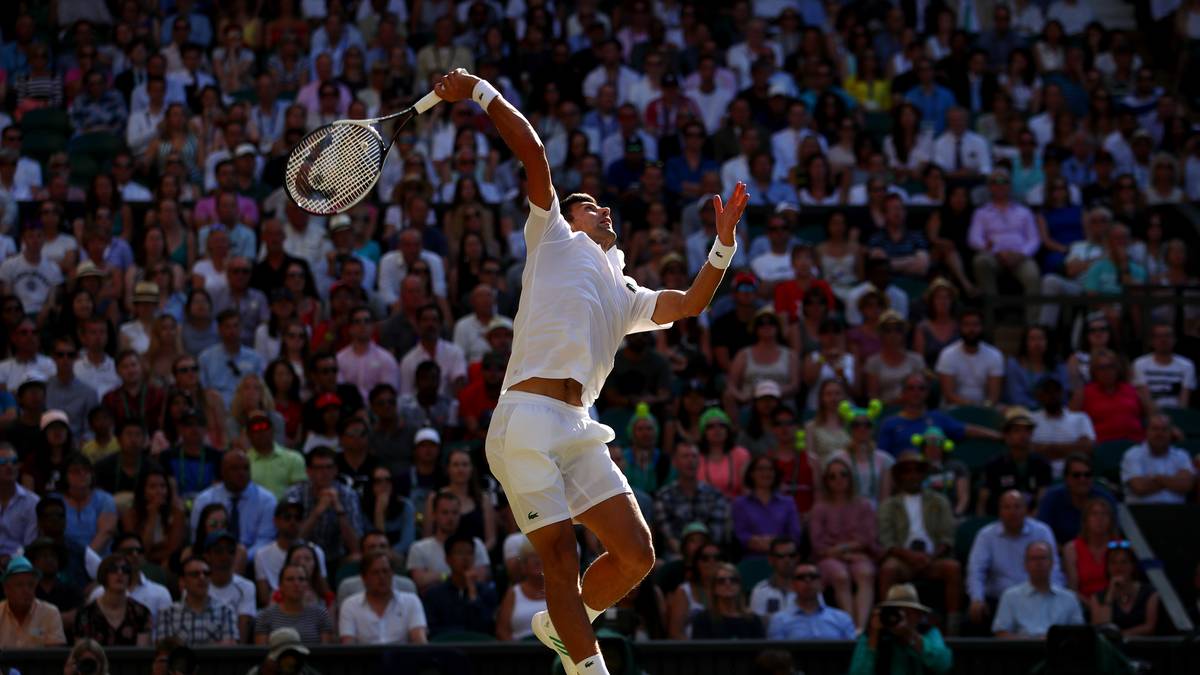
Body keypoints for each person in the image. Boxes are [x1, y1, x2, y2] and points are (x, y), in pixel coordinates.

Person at [435, 67, 749, 675]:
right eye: (588, 205)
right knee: (560, 554)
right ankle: (587, 668)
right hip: (523, 419)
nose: (600, 208)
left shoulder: (626, 291)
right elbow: (532, 149)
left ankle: (560, 625)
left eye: (601, 205)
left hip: (578, 425)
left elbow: (689, 303)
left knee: (636, 555)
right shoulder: (550, 235)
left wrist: (724, 244)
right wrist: (475, 88)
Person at [876, 451, 962, 633]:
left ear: (924, 474)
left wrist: (930, 557)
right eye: (907, 471)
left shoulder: (940, 501)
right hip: (902, 559)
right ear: (899, 476)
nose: (912, 475)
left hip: (933, 558)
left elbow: (947, 537)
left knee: (953, 568)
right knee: (888, 569)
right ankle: (886, 621)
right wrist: (910, 556)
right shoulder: (889, 505)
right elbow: (887, 540)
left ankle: (954, 626)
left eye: (917, 471)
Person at [967, 490, 1063, 629]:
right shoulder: (986, 535)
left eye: (1017, 506)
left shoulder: (1042, 531)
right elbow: (976, 570)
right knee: (975, 614)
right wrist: (976, 599)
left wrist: (1056, 597)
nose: (1013, 512)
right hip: (998, 600)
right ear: (999, 511)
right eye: (1007, 507)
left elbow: (1053, 568)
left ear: (1026, 510)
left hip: (1038, 597)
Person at [810, 455, 878, 630]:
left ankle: (860, 628)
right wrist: (842, 552)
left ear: (851, 477)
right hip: (828, 557)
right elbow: (817, 544)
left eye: (843, 474)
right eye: (832, 476)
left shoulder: (864, 505)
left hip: (858, 554)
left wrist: (845, 549)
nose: (838, 479)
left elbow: (868, 537)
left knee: (865, 573)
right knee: (840, 575)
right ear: (826, 481)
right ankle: (849, 626)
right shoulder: (819, 508)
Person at [847, 584, 952, 675]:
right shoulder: (872, 636)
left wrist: (911, 636)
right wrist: (874, 639)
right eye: (896, 611)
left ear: (918, 616)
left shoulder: (929, 633)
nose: (901, 617)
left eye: (908, 612)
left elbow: (943, 665)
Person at [284, 446, 365, 564]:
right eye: (318, 468)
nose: (324, 472)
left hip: (338, 558)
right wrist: (317, 512)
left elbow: (356, 546)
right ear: (309, 471)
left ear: (336, 470)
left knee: (357, 558)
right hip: (302, 557)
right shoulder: (294, 494)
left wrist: (339, 510)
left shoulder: (348, 495)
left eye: (329, 467)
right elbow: (292, 541)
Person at [190, 450, 278, 557]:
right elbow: (197, 538)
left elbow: (265, 540)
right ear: (222, 471)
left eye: (246, 468)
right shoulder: (204, 500)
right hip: (211, 557)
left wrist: (241, 557)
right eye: (235, 469)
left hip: (252, 562)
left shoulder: (267, 500)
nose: (241, 473)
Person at [992, 541, 1084, 638]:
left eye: (1043, 558)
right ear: (1025, 564)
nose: (1039, 563)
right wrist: (1032, 642)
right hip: (1023, 651)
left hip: (1058, 651)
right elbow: (1001, 633)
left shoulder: (1069, 598)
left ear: (1052, 563)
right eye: (1033, 559)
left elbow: (1079, 633)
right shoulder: (1010, 596)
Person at [654, 441, 730, 555]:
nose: (691, 461)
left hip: (710, 556)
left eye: (694, 456)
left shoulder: (715, 495)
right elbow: (669, 537)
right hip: (676, 556)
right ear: (675, 462)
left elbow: (716, 535)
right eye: (685, 456)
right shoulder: (664, 496)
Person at [407, 491, 490, 593]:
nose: (450, 518)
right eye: (445, 513)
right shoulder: (419, 548)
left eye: (455, 513)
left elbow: (481, 577)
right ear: (434, 515)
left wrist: (435, 576)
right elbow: (420, 581)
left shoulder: (476, 544)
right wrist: (452, 576)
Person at [338, 551, 428, 645]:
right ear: (364, 578)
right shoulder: (350, 605)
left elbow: (420, 642)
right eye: (375, 573)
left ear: (392, 574)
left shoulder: (411, 601)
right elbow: (348, 646)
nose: (382, 577)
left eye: (385, 571)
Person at [424, 532, 500, 638]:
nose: (465, 558)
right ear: (448, 559)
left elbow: (487, 628)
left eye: (469, 553)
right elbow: (432, 630)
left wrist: (472, 593)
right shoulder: (434, 594)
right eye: (459, 553)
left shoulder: (487, 592)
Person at [979, 408, 1054, 515]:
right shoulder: (994, 466)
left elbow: (1042, 500)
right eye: (1017, 430)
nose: (1023, 435)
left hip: (1033, 522)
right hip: (1000, 520)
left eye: (1027, 430)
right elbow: (983, 501)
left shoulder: (1042, 464)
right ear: (1006, 435)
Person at [153, 556, 238, 645]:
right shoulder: (168, 613)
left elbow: (229, 649)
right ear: (182, 581)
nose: (202, 577)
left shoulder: (226, 611)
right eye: (195, 574)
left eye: (206, 573)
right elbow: (164, 651)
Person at [731, 456, 802, 558]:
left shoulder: (788, 502)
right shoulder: (740, 503)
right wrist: (756, 542)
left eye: (770, 469)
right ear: (751, 474)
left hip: (783, 558)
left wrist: (776, 544)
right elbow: (740, 534)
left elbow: (795, 534)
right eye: (761, 469)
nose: (766, 473)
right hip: (752, 558)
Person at [74, 553, 152, 646]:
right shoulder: (85, 614)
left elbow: (141, 654)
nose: (120, 573)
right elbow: (82, 653)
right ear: (104, 574)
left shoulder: (141, 613)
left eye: (125, 570)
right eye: (113, 569)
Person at [766, 560, 856, 640]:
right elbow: (777, 656)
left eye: (813, 576)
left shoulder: (842, 618)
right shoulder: (779, 620)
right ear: (792, 585)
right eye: (801, 577)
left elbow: (853, 654)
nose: (808, 580)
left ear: (822, 584)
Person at [1037, 455, 1116, 544]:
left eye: (1087, 475)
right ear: (1066, 478)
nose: (1082, 479)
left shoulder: (1104, 498)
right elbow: (1042, 533)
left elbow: (1113, 533)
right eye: (1076, 475)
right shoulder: (1051, 498)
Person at [935, 307, 1005, 408]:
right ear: (960, 327)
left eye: (975, 325)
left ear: (982, 327)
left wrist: (983, 407)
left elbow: (993, 396)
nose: (971, 330)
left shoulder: (995, 355)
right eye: (966, 325)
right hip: (954, 408)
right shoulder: (947, 354)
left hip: (985, 407)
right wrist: (971, 406)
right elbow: (949, 395)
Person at [1120, 413, 1195, 504]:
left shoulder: (1182, 455)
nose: (1159, 433)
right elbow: (1139, 487)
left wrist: (1157, 478)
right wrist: (1174, 480)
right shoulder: (1133, 455)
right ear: (1146, 431)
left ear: (1171, 432)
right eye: (1155, 429)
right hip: (1140, 513)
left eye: (1164, 429)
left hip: (1177, 513)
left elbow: (1186, 485)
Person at [1087, 543, 1160, 637]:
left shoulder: (1149, 593)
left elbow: (1149, 627)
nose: (1118, 567)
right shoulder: (1097, 597)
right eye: (1113, 562)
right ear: (1107, 567)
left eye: (1124, 562)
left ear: (1132, 566)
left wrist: (1120, 635)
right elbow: (1101, 628)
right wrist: (1110, 594)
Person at [253, 563, 334, 645]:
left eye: (301, 579)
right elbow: (261, 653)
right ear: (280, 586)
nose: (296, 583)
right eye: (290, 579)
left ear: (307, 585)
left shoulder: (321, 614)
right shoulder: (264, 616)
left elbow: (325, 653)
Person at [202, 530, 256, 642]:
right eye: (218, 551)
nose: (225, 556)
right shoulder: (198, 586)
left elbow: (242, 634)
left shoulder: (246, 587)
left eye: (230, 551)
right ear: (207, 556)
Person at [0, 555, 66, 647]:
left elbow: (55, 657)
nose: (26, 590)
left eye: (30, 585)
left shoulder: (50, 613)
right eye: (19, 585)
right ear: (6, 589)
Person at [691, 562, 765, 639]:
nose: (728, 583)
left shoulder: (753, 620)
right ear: (714, 588)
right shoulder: (702, 620)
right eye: (721, 581)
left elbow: (761, 649)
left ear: (739, 586)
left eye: (733, 580)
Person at [1062, 498, 1118, 599]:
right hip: (1083, 604)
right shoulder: (1071, 549)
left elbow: (1125, 584)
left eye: (1104, 514)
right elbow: (1072, 588)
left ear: (1111, 520)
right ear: (1085, 520)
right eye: (1094, 514)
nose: (1099, 518)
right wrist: (1091, 606)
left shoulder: (1120, 546)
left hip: (1115, 602)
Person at [245, 410, 306, 500]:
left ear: (272, 431)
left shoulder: (294, 458)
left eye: (265, 427)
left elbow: (301, 492)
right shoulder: (243, 462)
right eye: (255, 429)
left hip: (286, 511)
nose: (261, 431)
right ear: (249, 435)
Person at [1132, 322, 1195, 409]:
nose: (1163, 340)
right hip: (1149, 414)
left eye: (1167, 336)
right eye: (1158, 336)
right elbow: (1144, 397)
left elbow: (1184, 398)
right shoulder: (1139, 364)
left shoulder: (1187, 365)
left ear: (1174, 340)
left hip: (1177, 414)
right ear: (1151, 341)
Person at [496, 538, 547, 641]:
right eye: (532, 556)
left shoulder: (560, 590)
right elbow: (502, 630)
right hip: (520, 652)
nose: (537, 560)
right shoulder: (513, 593)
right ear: (523, 565)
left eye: (541, 555)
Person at [0, 442, 38, 557]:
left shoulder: (32, 502)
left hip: (20, 563)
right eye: (3, 462)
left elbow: (30, 544)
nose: (9, 466)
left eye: (14, 461)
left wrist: (12, 559)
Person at [748, 538, 799, 623]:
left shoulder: (809, 587)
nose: (787, 560)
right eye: (781, 556)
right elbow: (757, 625)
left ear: (797, 558)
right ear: (771, 560)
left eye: (791, 555)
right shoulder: (760, 591)